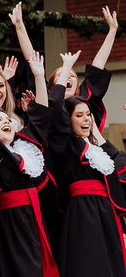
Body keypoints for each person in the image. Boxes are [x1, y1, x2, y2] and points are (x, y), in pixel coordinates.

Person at [0, 56, 56, 277]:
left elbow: (41, 119)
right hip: (6, 220)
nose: (6, 122)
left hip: (32, 214)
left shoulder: (24, 145)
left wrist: (39, 76)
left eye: (7, 120)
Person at [47, 49, 126, 277]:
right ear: (67, 118)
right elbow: (55, 107)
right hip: (82, 212)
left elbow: (117, 161)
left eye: (89, 114)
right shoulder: (65, 143)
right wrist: (65, 71)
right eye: (79, 115)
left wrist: (96, 135)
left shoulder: (96, 149)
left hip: (105, 212)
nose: (86, 119)